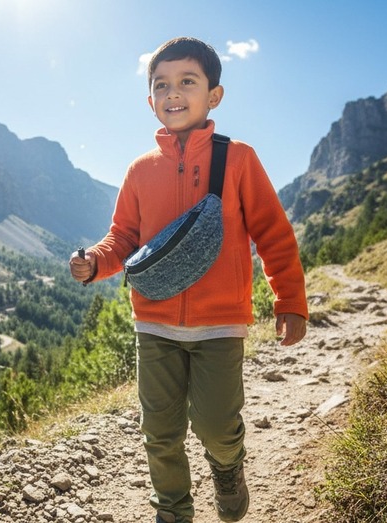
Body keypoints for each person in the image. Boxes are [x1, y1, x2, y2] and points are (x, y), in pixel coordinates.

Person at [69, 36, 308, 523]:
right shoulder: (140, 171)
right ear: (150, 100)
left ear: (213, 95)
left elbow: (274, 234)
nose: (173, 92)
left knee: (217, 427)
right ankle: (172, 511)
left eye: (187, 82)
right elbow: (124, 238)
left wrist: (291, 300)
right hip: (153, 324)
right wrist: (95, 262)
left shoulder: (237, 159)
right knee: (159, 431)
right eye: (161, 85)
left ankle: (227, 468)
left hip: (221, 325)